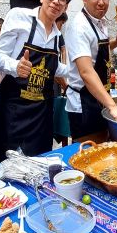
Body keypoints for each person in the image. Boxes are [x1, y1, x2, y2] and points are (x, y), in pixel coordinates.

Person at [0, 0, 73, 156]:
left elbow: (55, 69)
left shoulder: (57, 36)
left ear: (66, 6)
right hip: (15, 111)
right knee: (10, 167)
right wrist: (15, 67)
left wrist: (80, 68)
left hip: (41, 116)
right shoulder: (19, 17)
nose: (55, 1)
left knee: (40, 165)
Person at [65, 0, 117, 141]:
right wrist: (112, 105)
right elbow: (86, 71)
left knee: (103, 148)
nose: (101, 2)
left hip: (100, 98)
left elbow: (98, 49)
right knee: (88, 152)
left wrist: (116, 41)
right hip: (84, 104)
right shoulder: (79, 27)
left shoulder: (100, 22)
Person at [53, 12, 70, 147]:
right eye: (61, 23)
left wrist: (63, 66)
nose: (61, 26)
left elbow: (63, 50)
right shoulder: (51, 34)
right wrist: (65, 84)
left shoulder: (58, 35)